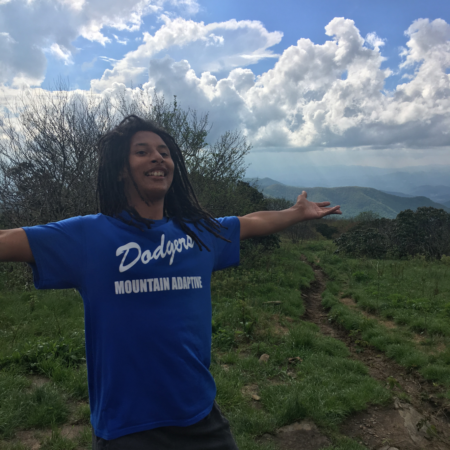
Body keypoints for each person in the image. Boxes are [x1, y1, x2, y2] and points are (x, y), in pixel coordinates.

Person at [0, 115, 341, 450]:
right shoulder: (88, 236)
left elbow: (250, 222)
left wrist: (296, 213)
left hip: (201, 418)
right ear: (120, 169)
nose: (157, 157)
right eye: (142, 151)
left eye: (164, 151)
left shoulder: (197, 233)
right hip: (127, 428)